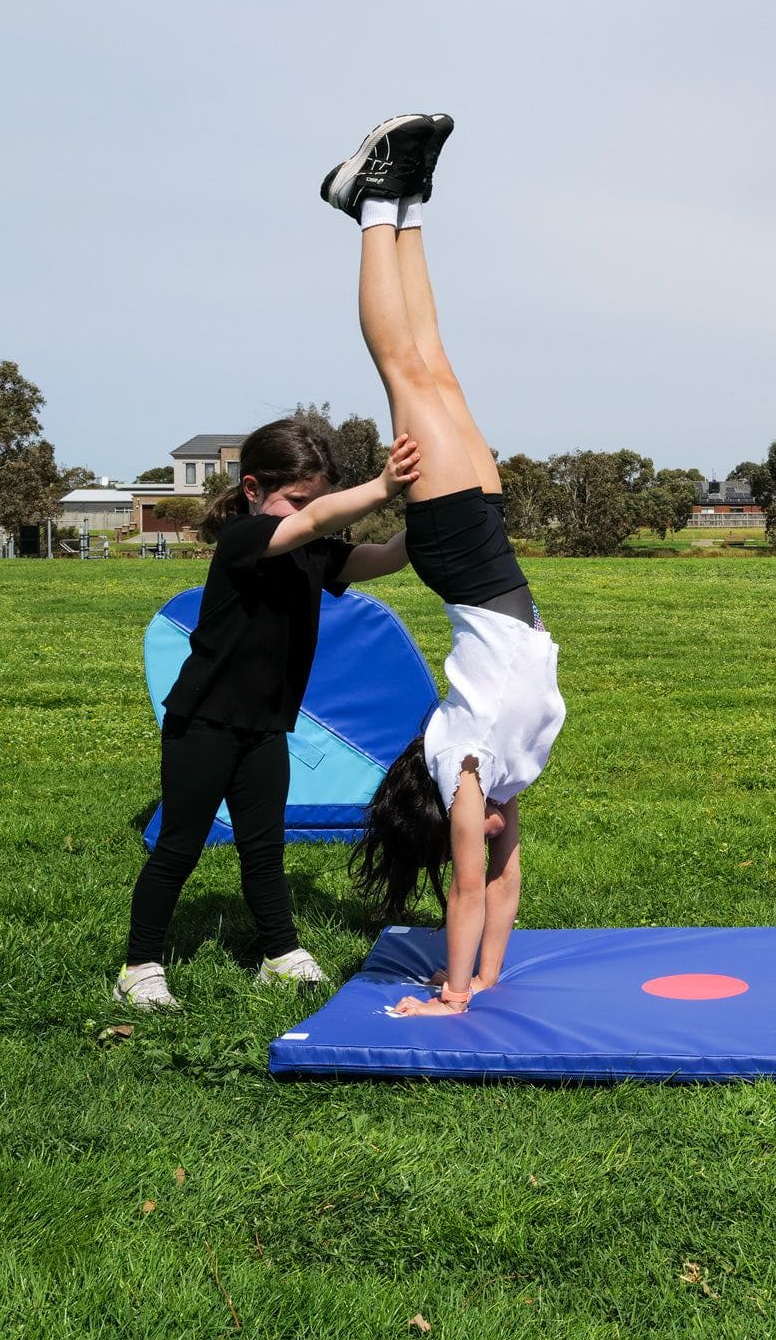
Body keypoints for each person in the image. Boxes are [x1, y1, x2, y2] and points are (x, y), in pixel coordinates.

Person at [331, 113, 566, 1018]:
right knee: (441, 369)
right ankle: (407, 202)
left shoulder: (463, 766)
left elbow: (465, 893)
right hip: (489, 547)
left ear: (450, 821)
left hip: (461, 561)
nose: (499, 842)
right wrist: (494, 977)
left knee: (403, 369)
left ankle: (364, 210)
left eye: (481, 838)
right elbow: (500, 894)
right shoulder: (502, 783)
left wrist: (454, 994)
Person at [114, 419, 421, 1009]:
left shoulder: (312, 550)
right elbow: (306, 523)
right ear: (252, 489)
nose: (316, 513)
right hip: (203, 721)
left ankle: (279, 953)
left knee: (264, 845)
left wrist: (427, 510)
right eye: (302, 499)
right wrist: (382, 485)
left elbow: (383, 558)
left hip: (265, 726)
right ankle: (140, 965)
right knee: (180, 845)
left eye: (322, 500)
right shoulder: (244, 539)